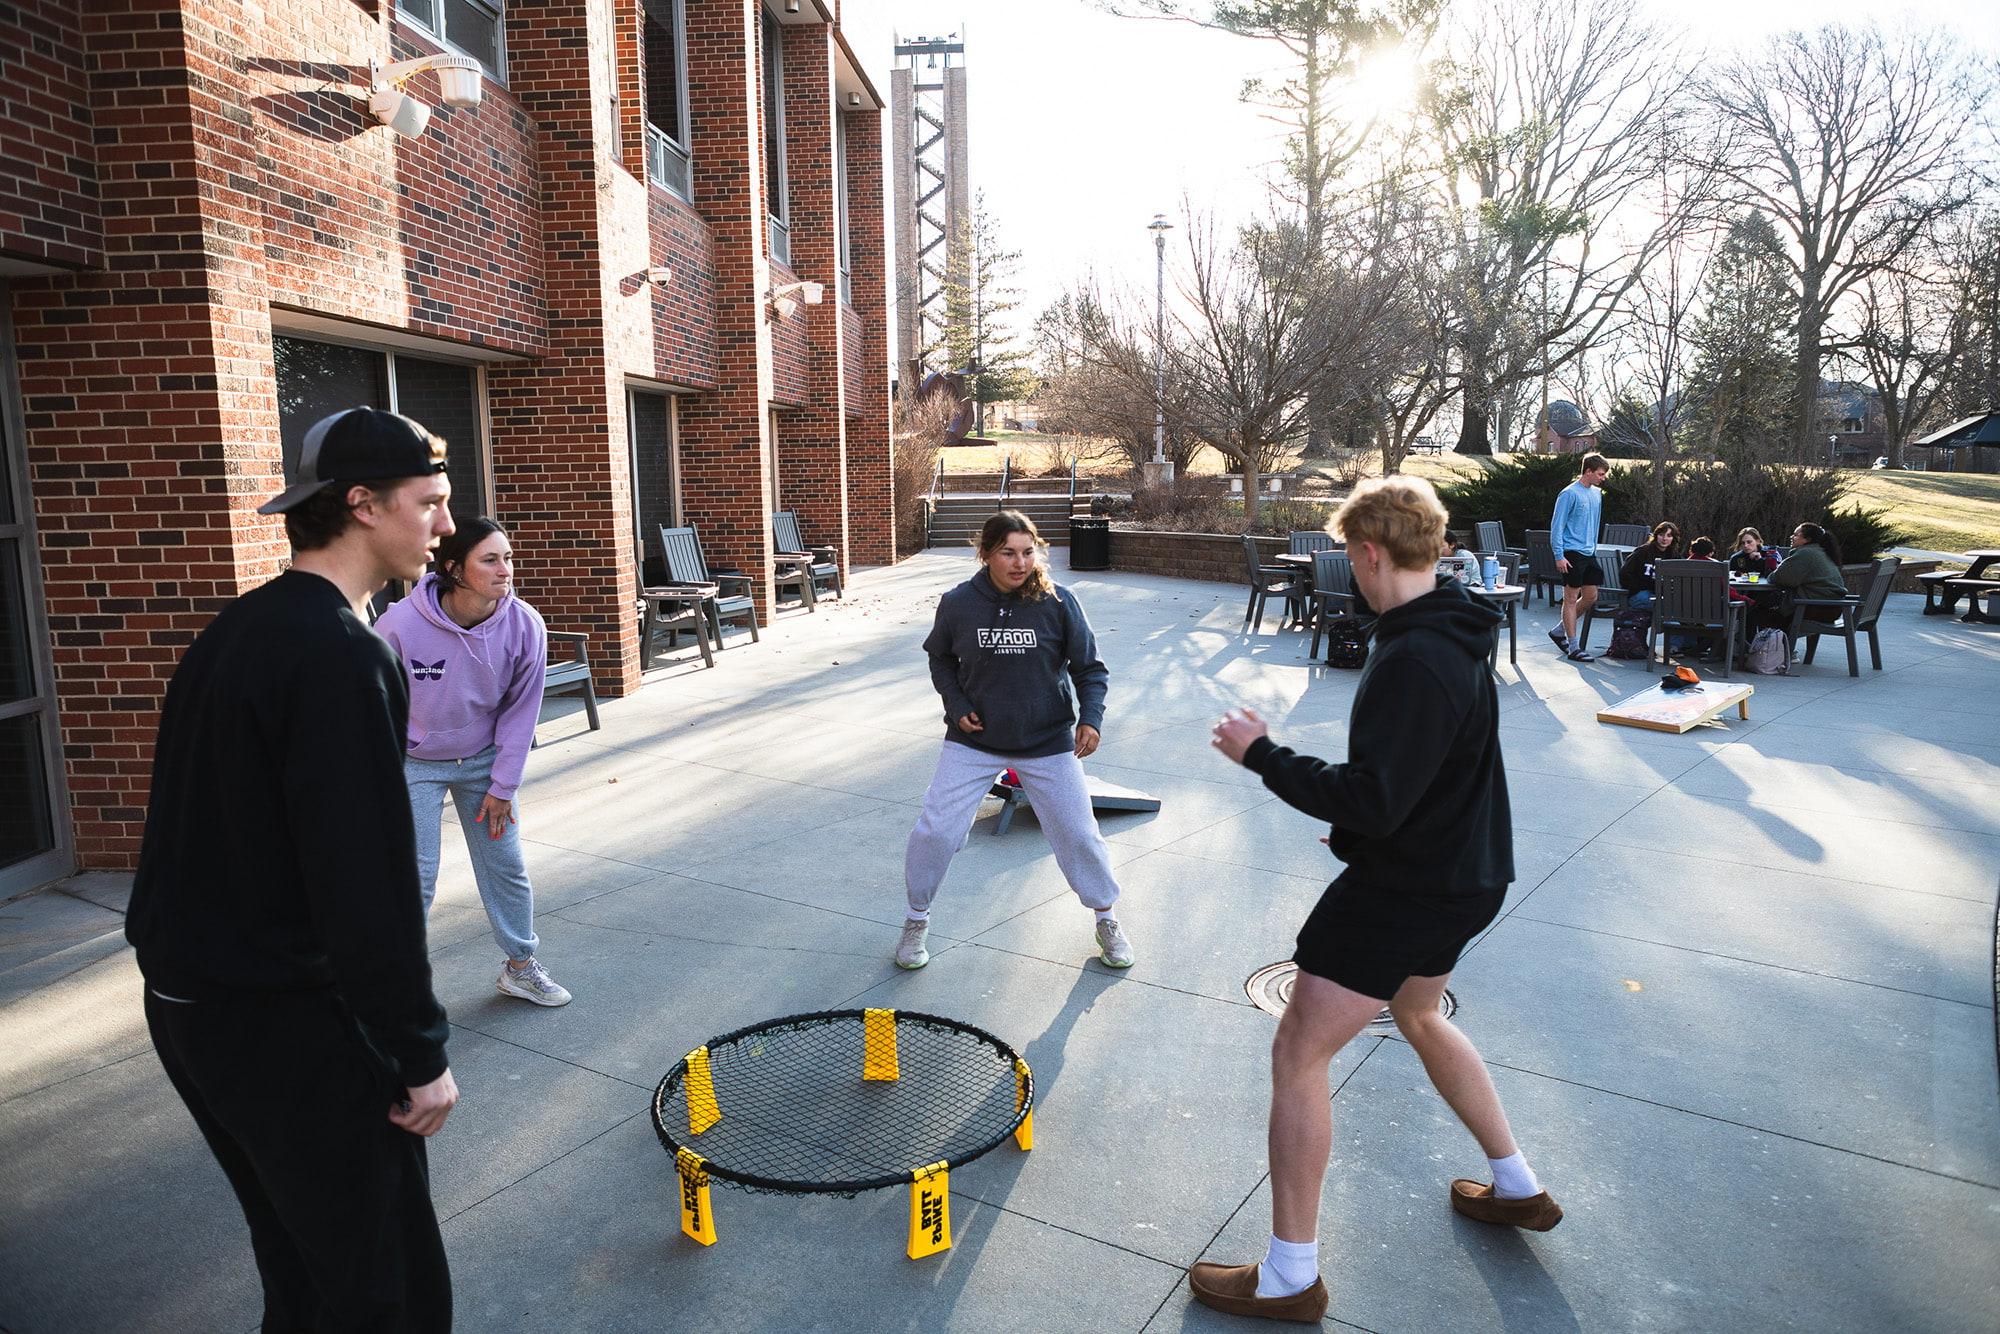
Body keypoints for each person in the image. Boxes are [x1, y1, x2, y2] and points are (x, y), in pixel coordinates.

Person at [1194, 476, 1557, 1324]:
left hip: (1409, 892)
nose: (1348, 572)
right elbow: (1420, 781)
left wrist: (1262, 754)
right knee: (1423, 1016)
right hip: (1469, 874)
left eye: (1347, 557)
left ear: (1367, 552)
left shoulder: (1417, 655)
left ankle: (1290, 1277)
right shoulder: (1454, 625)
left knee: (1298, 1054)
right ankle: (1516, 1185)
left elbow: (1374, 796)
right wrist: (1368, 825)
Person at [127, 407, 460, 1330]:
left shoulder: (239, 631)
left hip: (193, 1011)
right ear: (361, 505)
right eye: (429, 503)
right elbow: (365, 881)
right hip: (283, 1027)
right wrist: (418, 1051)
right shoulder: (341, 656)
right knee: (385, 1285)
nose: (445, 527)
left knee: (304, 1266)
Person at [897, 509, 1133, 971]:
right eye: (1008, 552)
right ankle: (915, 919)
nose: (1020, 562)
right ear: (985, 553)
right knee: (936, 831)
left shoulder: (1058, 602)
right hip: (974, 741)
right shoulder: (958, 602)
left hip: (1046, 740)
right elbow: (940, 659)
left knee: (1080, 835)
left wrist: (1092, 718)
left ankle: (1106, 919)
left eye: (1028, 551)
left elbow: (1090, 669)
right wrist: (956, 704)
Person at [376, 517, 572, 1007]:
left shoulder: (523, 623)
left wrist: (504, 784)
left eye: (507, 557)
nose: (505, 569)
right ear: (454, 570)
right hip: (414, 763)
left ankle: (521, 968)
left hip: (485, 762)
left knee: (505, 865)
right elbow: (370, 698)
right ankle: (402, 984)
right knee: (413, 876)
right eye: (490, 559)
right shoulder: (400, 624)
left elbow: (521, 709)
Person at [1548, 452, 1609, 661]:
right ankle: (1574, 647)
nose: (1603, 478)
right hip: (1571, 552)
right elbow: (1557, 526)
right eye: (1600, 474)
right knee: (1571, 599)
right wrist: (1559, 555)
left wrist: (1593, 548)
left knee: (1591, 596)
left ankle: (1559, 630)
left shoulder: (1596, 494)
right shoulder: (1569, 494)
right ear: (1588, 471)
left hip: (1589, 553)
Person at [1758, 521, 1848, 633]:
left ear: (1807, 539)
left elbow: (1779, 578)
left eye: (1796, 535)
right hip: (1831, 608)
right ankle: (1781, 648)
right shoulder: (1820, 552)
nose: (1792, 537)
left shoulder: (1806, 554)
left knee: (1759, 614)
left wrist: (1771, 573)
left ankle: (1766, 649)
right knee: (1771, 611)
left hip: (1816, 609)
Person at [1618, 520, 1680, 609]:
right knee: (1669, 606)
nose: (1664, 538)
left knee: (1682, 603)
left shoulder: (1674, 555)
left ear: (1674, 538)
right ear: (1656, 535)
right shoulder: (1643, 551)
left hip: (1660, 594)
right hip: (1640, 594)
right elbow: (1624, 573)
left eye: (1669, 536)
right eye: (1661, 534)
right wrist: (1638, 587)